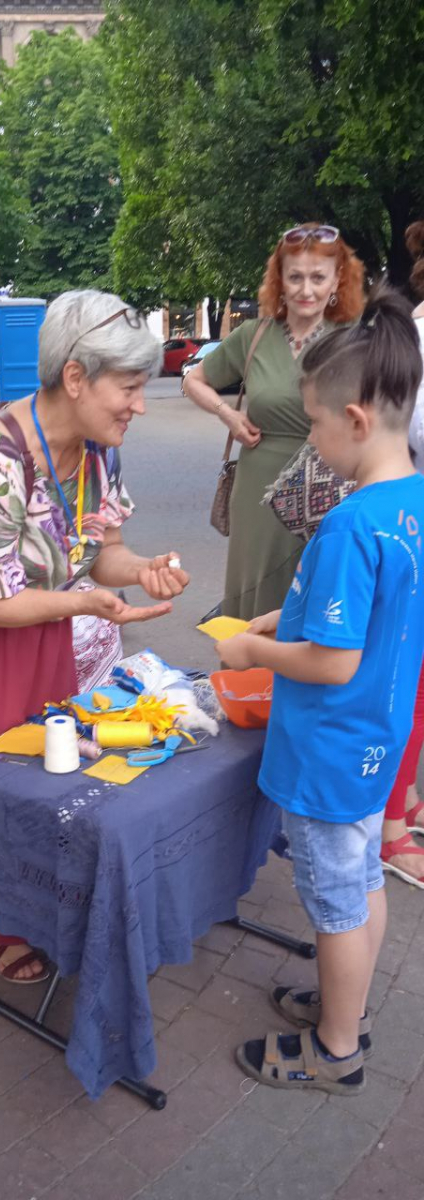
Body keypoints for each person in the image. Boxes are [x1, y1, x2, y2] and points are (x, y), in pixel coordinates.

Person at [0, 289, 190, 982]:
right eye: (128, 387)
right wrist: (86, 602)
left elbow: (104, 554)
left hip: (43, 619)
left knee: (45, 763)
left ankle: (28, 893)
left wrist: (141, 571)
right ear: (74, 378)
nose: (140, 404)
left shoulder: (99, 450)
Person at [217, 284, 424, 1094]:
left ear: (357, 421)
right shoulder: (411, 500)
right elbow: (364, 620)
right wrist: (286, 612)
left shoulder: (348, 523)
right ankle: (351, 1007)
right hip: (377, 740)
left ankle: (337, 1051)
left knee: (333, 902)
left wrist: (250, 647)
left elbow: (331, 663)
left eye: (315, 426)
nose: (313, 444)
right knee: (362, 878)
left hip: (329, 748)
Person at [183, 223, 364, 620]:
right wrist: (227, 414)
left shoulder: (353, 340)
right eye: (295, 277)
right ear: (279, 281)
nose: (306, 289)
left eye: (318, 278)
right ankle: (248, 679)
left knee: (318, 594)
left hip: (329, 487)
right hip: (257, 489)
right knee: (255, 595)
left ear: (337, 281)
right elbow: (192, 380)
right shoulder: (253, 335)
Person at [380, 219, 424, 886]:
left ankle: (406, 798)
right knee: (403, 673)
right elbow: (408, 426)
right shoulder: (414, 330)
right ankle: (391, 826)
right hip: (409, 515)